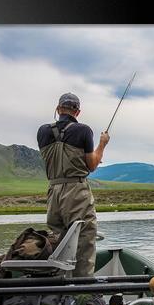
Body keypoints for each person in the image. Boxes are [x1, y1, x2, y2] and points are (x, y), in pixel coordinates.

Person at [37, 93, 110, 277]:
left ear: (58, 109)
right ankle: (83, 296)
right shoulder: (83, 131)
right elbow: (92, 165)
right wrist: (102, 144)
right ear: (77, 111)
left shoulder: (42, 131)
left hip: (53, 193)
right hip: (76, 193)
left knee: (61, 243)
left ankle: (60, 291)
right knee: (84, 241)